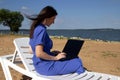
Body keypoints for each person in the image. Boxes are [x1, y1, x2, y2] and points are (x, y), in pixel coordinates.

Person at [29, 6, 85, 76]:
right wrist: (55, 58)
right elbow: (39, 53)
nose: (53, 22)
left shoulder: (35, 28)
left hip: (39, 65)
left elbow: (31, 50)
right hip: (46, 67)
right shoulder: (41, 30)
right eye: (53, 19)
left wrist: (50, 53)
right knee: (77, 61)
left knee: (67, 57)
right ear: (47, 18)